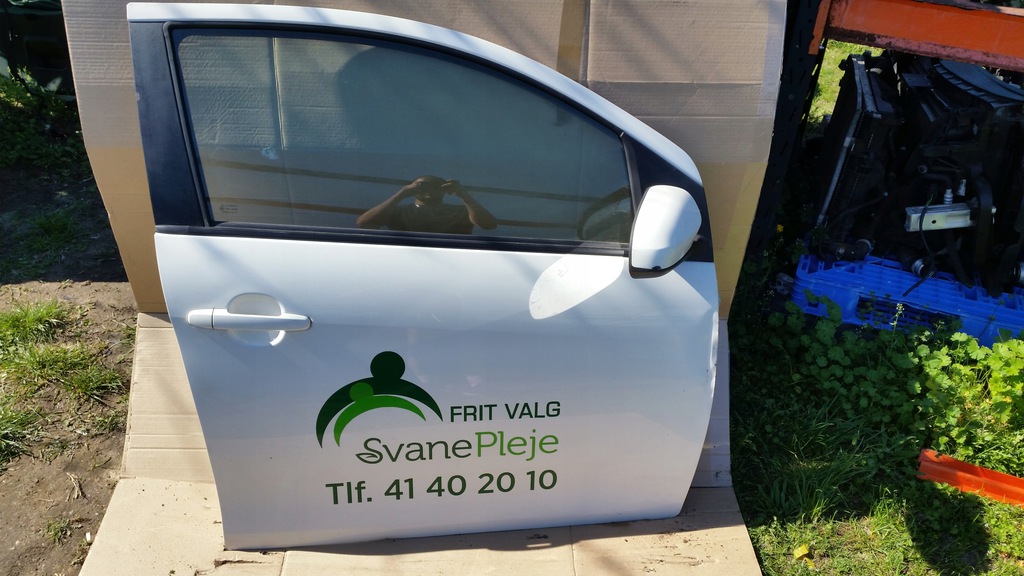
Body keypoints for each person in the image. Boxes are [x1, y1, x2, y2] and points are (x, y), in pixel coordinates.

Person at [356, 175, 497, 234]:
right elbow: (365, 223)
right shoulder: (397, 211)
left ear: (445, 190)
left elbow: (488, 225)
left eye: (436, 186)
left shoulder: (462, 211)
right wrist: (401, 194)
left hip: (455, 256)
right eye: (421, 185)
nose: (429, 189)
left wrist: (464, 195)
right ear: (411, 188)